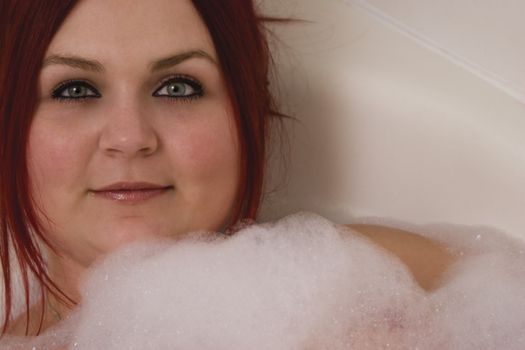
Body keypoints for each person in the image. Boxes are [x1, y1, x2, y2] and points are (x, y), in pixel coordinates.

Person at [0, 0, 455, 340]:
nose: (130, 136)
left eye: (177, 87)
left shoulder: (377, 281)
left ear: (247, 115)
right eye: (75, 90)